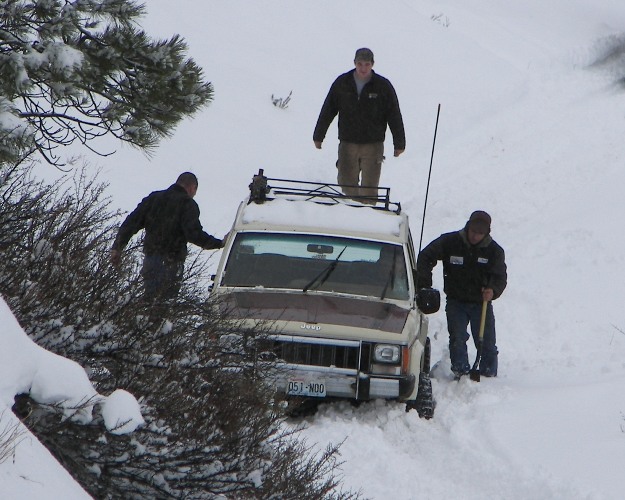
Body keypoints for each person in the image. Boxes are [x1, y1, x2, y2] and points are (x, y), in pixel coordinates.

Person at [416, 211, 507, 378]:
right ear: (468, 227)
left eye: (480, 234)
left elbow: (500, 277)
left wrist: (493, 290)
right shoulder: (450, 242)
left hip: (481, 304)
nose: (475, 237)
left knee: (486, 342)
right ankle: (460, 371)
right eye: (473, 232)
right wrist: (424, 285)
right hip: (456, 302)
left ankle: (488, 375)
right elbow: (425, 256)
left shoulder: (494, 251)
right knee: (457, 337)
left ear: (486, 232)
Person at [110, 172, 223, 300]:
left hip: (151, 260)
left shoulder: (154, 199)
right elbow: (194, 234)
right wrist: (219, 243)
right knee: (166, 305)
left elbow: (131, 223)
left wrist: (117, 247)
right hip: (172, 263)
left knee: (149, 302)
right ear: (193, 187)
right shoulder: (187, 204)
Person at [313, 48, 405, 204]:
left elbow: (394, 114)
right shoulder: (342, 83)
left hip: (373, 145)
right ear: (354, 63)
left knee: (369, 189)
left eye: (367, 64)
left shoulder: (383, 86)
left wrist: (399, 143)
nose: (363, 68)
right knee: (346, 184)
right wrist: (318, 136)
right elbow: (328, 110)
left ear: (372, 65)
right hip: (348, 143)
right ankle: (348, 220)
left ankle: (367, 221)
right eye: (360, 64)